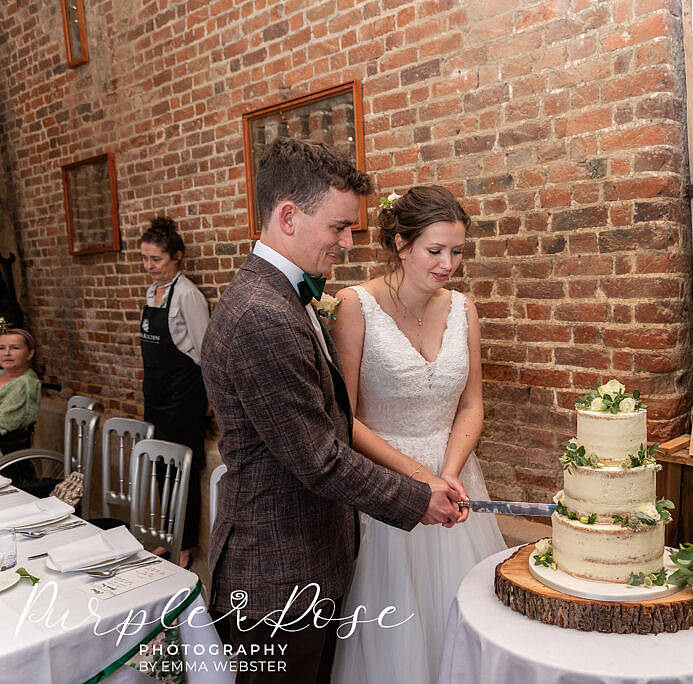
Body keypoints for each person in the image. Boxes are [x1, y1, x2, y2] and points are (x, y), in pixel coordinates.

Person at [201, 137, 460, 684]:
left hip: (309, 560)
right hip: (276, 576)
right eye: (339, 226)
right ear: (288, 216)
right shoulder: (262, 316)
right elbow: (319, 458)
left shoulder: (281, 295)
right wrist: (419, 497)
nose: (347, 240)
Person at [330, 186, 507, 684]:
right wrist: (418, 480)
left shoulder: (463, 308)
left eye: (457, 252)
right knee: (396, 624)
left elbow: (472, 403)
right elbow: (344, 419)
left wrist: (448, 474)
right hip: (385, 484)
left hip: (454, 477)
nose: (448, 264)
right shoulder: (353, 306)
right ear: (401, 243)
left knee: (459, 610)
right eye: (435, 251)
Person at [140, 217, 210, 568]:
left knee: (185, 469)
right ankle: (167, 538)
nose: (149, 267)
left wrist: (211, 401)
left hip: (183, 397)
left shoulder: (188, 295)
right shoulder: (152, 293)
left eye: (156, 260)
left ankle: (185, 545)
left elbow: (206, 352)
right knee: (161, 468)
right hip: (155, 394)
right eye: (146, 259)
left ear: (177, 257)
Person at [0, 325, 40, 440]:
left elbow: (4, 422)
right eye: (1, 348)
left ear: (30, 354)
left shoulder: (24, 385)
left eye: (15, 348)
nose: (7, 353)